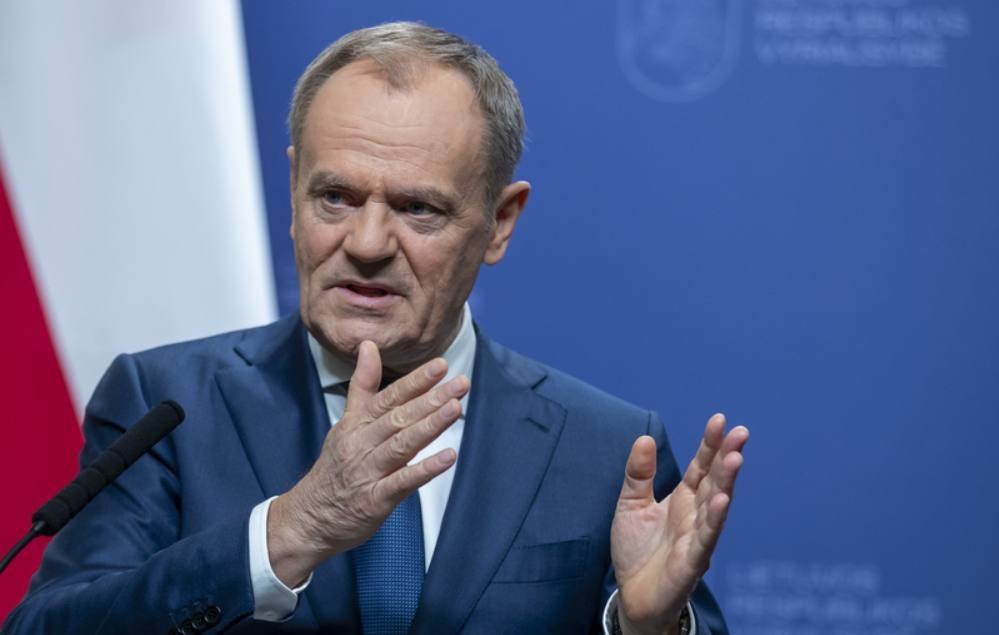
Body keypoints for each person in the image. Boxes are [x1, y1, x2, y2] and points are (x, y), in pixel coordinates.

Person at [3, 22, 747, 634]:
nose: (365, 243)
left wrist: (647, 627)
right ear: (293, 190)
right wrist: (288, 532)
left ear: (500, 221)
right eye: (334, 196)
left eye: (418, 208)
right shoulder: (166, 406)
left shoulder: (607, 447)